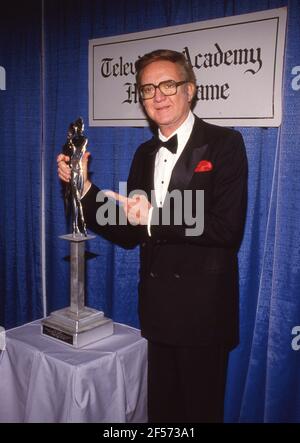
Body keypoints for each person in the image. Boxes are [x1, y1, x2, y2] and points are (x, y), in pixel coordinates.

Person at [57, 49, 248, 422]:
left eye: (168, 84)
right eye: (147, 89)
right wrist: (85, 188)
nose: (157, 95)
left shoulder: (226, 144)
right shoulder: (145, 152)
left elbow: (227, 228)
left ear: (189, 89)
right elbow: (130, 231)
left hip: (203, 317)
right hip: (158, 313)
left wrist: (156, 216)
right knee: (161, 415)